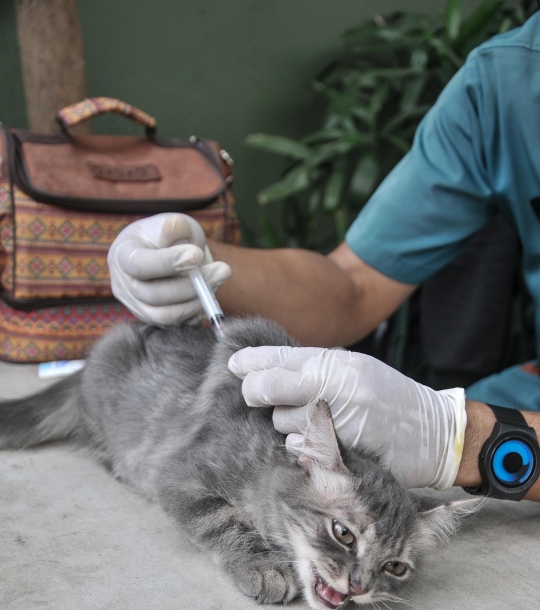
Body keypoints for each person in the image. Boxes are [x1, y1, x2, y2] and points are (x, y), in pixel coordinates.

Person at [108, 13, 540, 503]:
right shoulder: (505, 83)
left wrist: (468, 444)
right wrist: (196, 265)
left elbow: (468, 444)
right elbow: (352, 285)